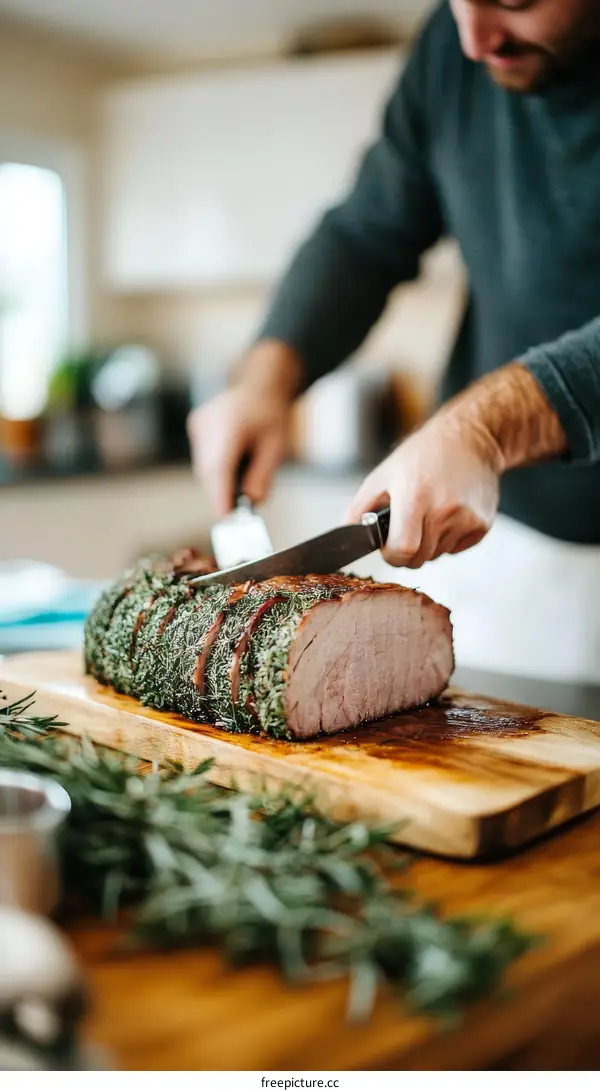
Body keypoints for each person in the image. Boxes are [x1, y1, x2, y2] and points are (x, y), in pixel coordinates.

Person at [188, 0, 600, 681]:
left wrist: (483, 432)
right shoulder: (453, 46)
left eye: (515, 0)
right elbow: (365, 234)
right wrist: (266, 378)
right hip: (512, 556)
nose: (474, 40)